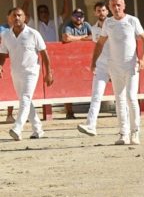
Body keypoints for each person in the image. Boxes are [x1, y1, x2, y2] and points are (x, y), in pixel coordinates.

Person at [92, 0, 144, 146]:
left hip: (131, 64)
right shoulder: (108, 23)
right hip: (114, 65)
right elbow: (100, 43)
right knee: (119, 99)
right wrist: (93, 62)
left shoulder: (132, 20)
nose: (116, 8)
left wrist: (142, 59)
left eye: (118, 5)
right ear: (110, 7)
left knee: (131, 97)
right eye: (113, 6)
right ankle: (123, 133)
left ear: (123, 5)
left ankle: (135, 132)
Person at [0, 7, 54, 140]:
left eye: (19, 15)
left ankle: (18, 128)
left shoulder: (33, 33)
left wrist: (48, 73)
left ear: (25, 17)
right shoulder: (6, 35)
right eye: (14, 16)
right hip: (16, 72)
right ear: (9, 18)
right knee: (26, 101)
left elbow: (44, 54)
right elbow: (3, 53)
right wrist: (0, 65)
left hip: (31, 71)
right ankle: (38, 129)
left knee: (24, 99)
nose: (17, 18)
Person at [77, 1, 121, 137]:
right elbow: (96, 45)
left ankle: (125, 127)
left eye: (103, 10)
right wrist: (94, 63)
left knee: (121, 97)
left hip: (116, 64)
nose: (101, 13)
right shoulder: (94, 28)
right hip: (101, 65)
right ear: (95, 13)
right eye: (98, 11)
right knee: (96, 96)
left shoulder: (115, 24)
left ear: (107, 12)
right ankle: (91, 125)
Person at [61, 7, 93, 119]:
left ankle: (92, 111)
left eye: (81, 16)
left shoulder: (87, 25)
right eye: (76, 15)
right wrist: (84, 37)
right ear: (72, 16)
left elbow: (93, 37)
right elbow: (66, 38)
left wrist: (76, 39)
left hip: (86, 59)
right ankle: (69, 111)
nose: (79, 18)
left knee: (90, 83)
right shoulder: (68, 25)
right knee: (68, 84)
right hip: (69, 58)